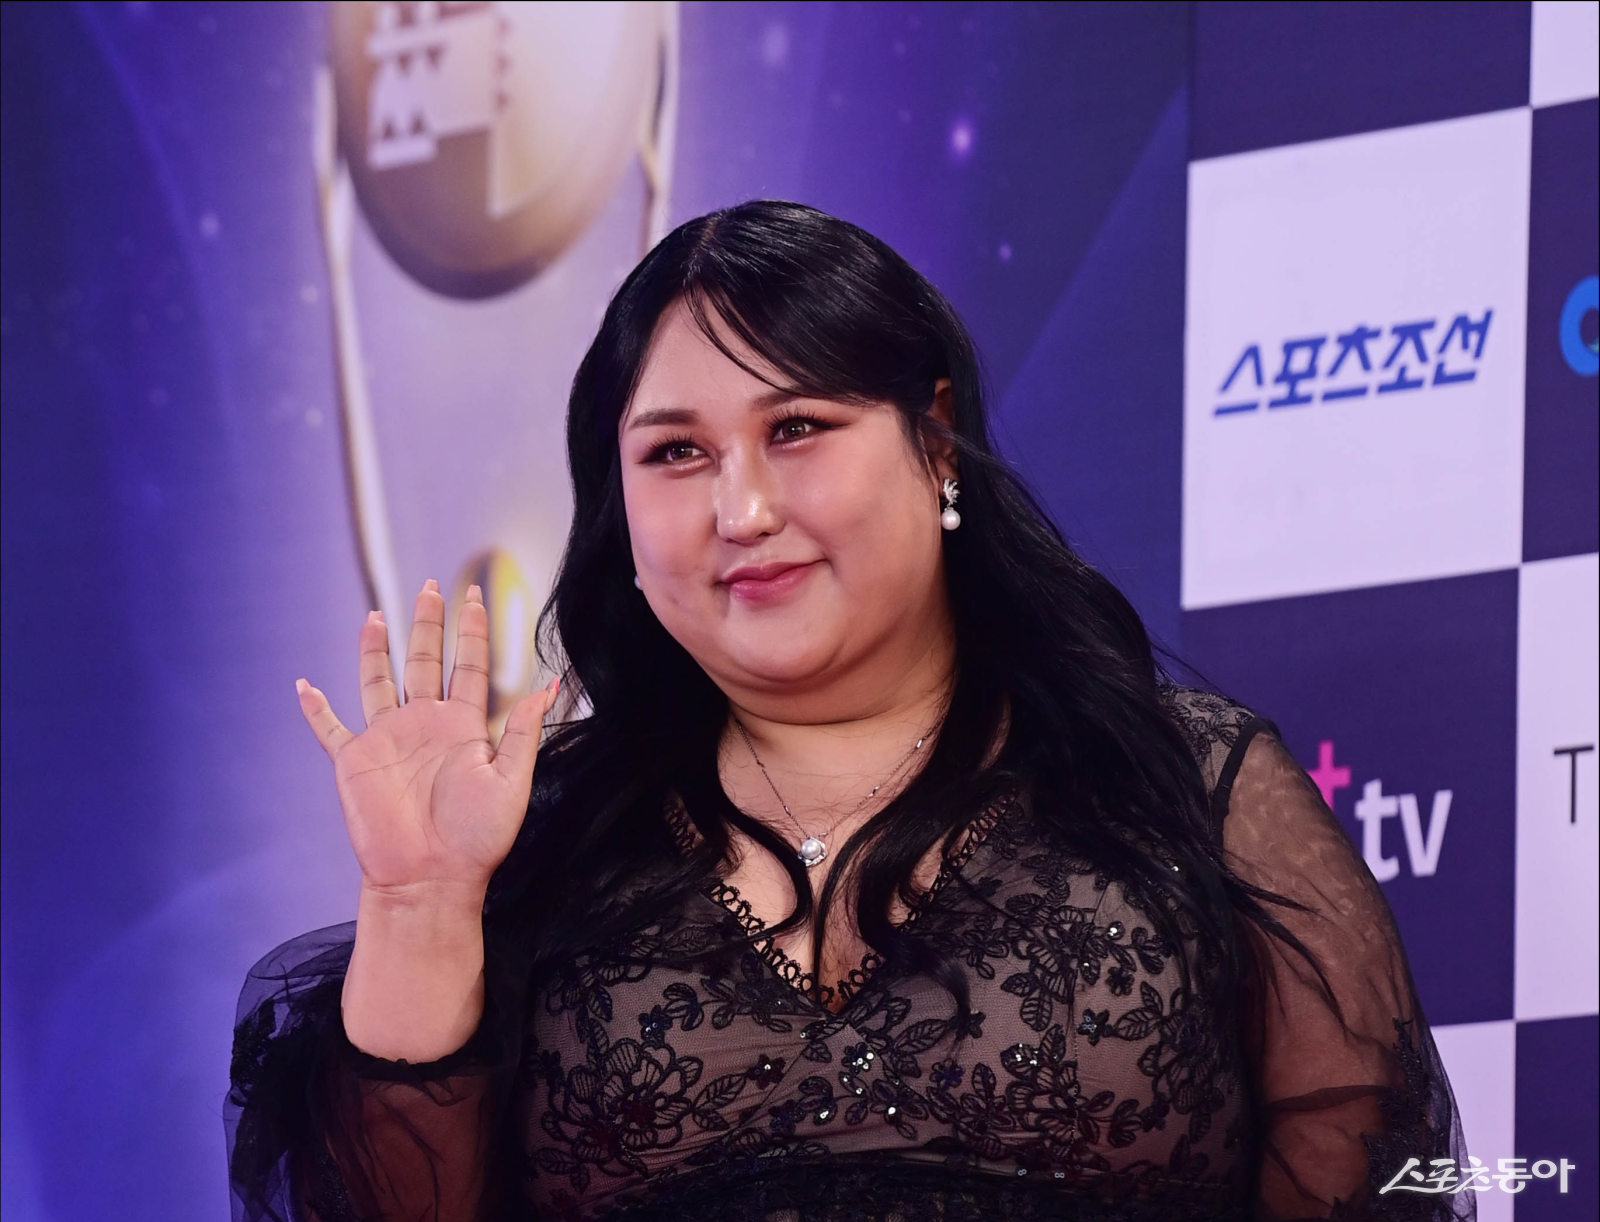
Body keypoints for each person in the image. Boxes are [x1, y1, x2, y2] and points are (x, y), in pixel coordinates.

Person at [227, 201, 1471, 1222]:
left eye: (798, 427)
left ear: (936, 442)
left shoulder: (1188, 790)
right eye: (675, 453)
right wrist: (420, 907)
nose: (742, 509)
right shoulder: (534, 846)